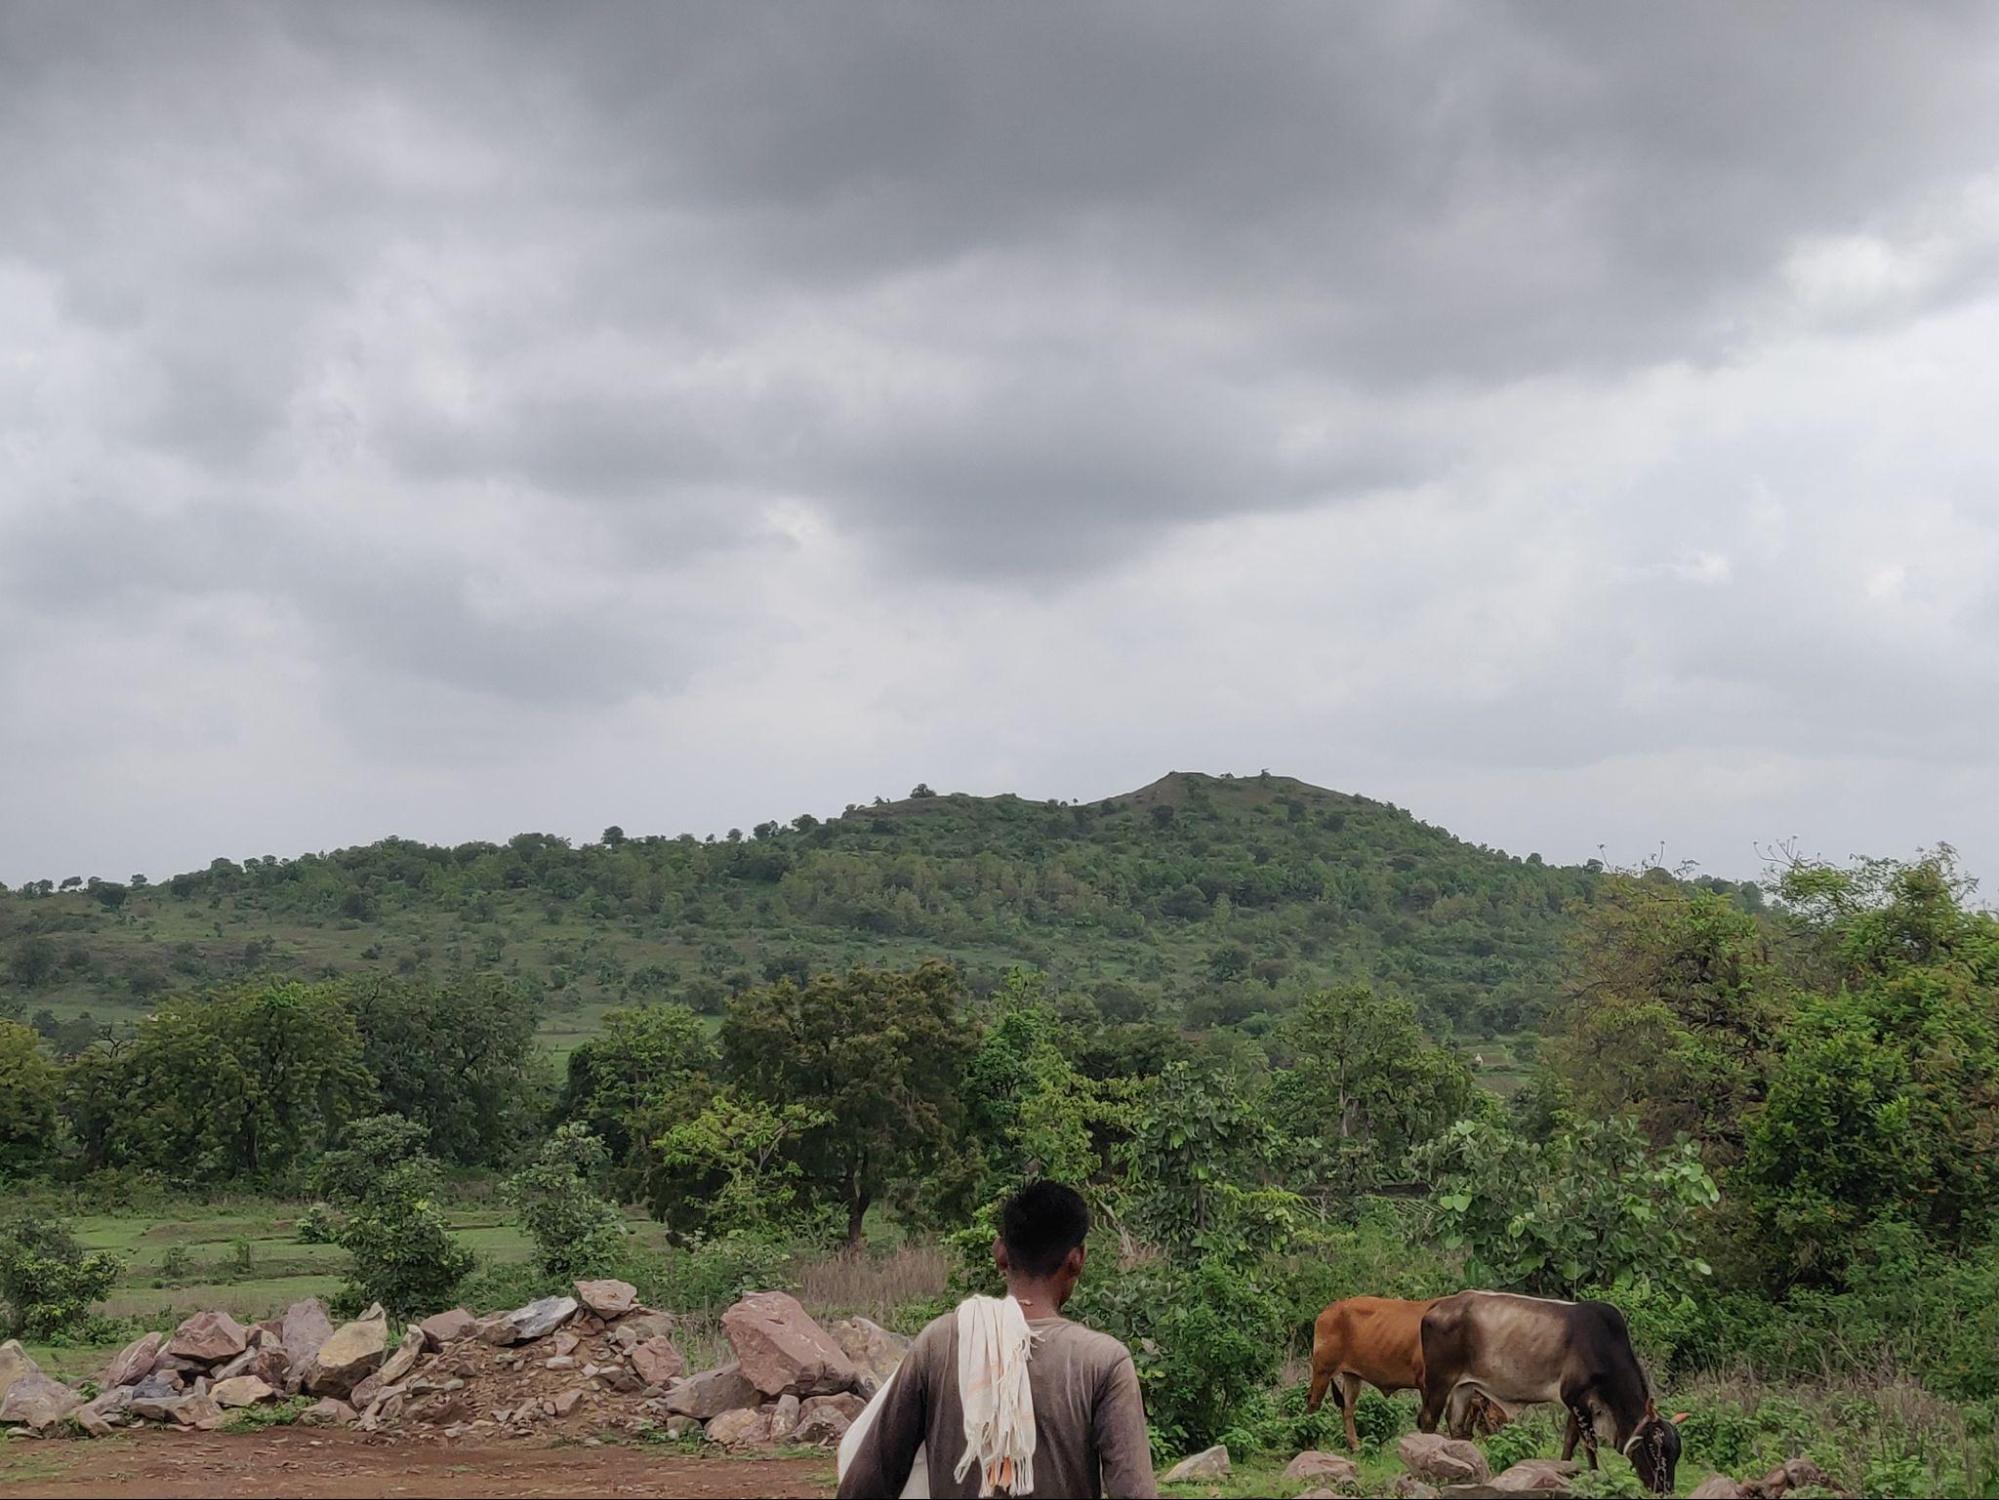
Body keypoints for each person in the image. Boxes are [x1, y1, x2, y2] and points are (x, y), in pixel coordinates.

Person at [836, 1181, 1158, 1499]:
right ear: (1077, 1259)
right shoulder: (1103, 1362)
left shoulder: (939, 1344)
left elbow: (865, 1484)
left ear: (1000, 1253)